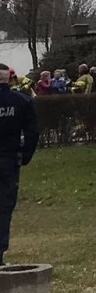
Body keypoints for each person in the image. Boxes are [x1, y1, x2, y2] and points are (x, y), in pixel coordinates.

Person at [0, 65, 39, 265]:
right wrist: (25, 156)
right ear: (10, 79)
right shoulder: (21, 101)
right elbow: (32, 132)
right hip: (8, 160)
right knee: (4, 207)